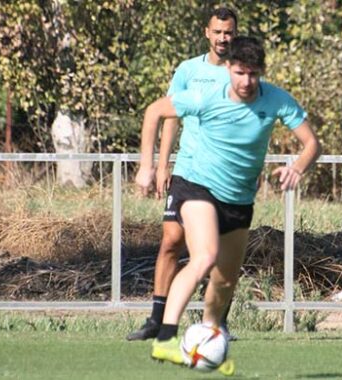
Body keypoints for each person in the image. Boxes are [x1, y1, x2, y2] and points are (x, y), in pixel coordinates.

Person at [135, 36, 321, 371]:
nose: (246, 81)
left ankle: (208, 339)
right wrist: (147, 167)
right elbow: (154, 111)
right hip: (196, 186)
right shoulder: (207, 95)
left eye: (253, 74)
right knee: (204, 256)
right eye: (239, 72)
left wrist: (298, 167)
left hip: (238, 201)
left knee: (224, 281)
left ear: (260, 72)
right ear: (229, 70)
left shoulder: (277, 100)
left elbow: (311, 143)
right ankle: (165, 338)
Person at [126, 7, 239, 342]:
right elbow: (169, 115)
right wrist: (161, 165)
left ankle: (217, 322)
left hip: (224, 175)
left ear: (235, 33)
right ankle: (156, 320)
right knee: (171, 241)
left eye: (229, 32)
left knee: (218, 251)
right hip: (188, 171)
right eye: (217, 32)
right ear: (207, 32)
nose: (223, 38)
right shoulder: (188, 70)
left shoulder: (240, 72)